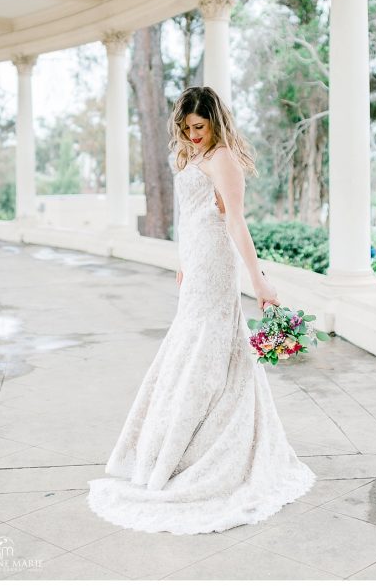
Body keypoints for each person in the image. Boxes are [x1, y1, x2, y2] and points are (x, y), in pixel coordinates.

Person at [86, 86, 316, 535]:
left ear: (215, 121)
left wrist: (258, 280)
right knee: (188, 343)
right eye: (186, 129)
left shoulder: (224, 158)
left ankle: (211, 445)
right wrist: (182, 261)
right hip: (196, 264)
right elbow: (188, 216)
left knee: (211, 347)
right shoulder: (192, 158)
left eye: (200, 128)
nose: (193, 136)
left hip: (217, 262)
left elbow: (234, 220)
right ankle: (171, 449)